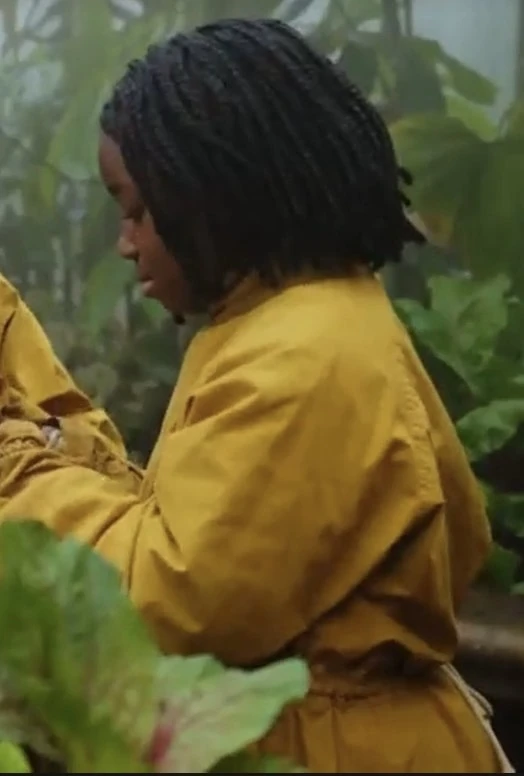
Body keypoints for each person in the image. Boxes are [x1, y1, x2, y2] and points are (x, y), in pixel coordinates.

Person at [0, 18, 511, 772]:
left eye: (138, 211)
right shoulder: (286, 323)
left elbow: (165, 605)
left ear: (212, 197)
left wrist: (18, 465)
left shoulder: (307, 359)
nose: (125, 243)